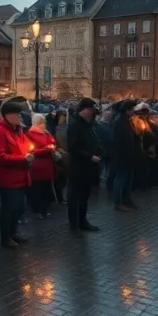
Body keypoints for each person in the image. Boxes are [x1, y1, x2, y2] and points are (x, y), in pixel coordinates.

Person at [0, 99, 33, 249]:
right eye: (16, 114)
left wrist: (28, 154)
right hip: (8, 177)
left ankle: (14, 232)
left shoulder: (17, 130)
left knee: (17, 208)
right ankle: (5, 237)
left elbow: (23, 146)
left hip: (20, 175)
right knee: (8, 208)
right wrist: (22, 158)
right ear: (7, 115)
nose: (19, 117)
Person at [65, 98, 101, 234]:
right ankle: (74, 224)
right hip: (78, 167)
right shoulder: (75, 125)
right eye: (91, 110)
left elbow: (93, 140)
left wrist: (98, 151)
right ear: (85, 110)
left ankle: (83, 220)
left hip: (88, 167)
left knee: (85, 195)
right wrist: (89, 156)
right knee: (75, 196)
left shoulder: (88, 124)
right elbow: (73, 147)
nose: (93, 113)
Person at [27, 113, 57, 219]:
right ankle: (37, 210)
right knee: (37, 189)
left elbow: (53, 141)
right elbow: (32, 151)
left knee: (46, 188)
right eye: (40, 122)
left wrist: (52, 147)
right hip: (37, 165)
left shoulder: (46, 133)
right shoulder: (30, 134)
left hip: (47, 164)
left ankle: (44, 209)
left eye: (44, 122)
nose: (43, 124)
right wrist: (46, 149)